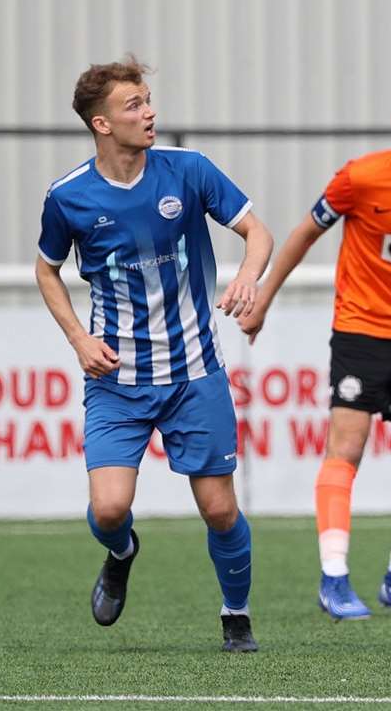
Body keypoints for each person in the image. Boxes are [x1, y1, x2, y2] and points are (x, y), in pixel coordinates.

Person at [34, 56, 273, 652]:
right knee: (110, 509)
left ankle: (235, 615)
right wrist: (78, 339)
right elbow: (46, 269)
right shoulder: (69, 197)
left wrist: (249, 276)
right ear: (102, 124)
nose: (149, 112)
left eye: (147, 100)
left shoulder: (188, 172)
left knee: (219, 510)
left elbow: (258, 233)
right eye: (133, 105)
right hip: (118, 380)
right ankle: (121, 552)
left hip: (195, 373)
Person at [240, 74, 391, 620]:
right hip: (363, 329)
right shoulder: (360, 178)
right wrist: (264, 297)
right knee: (347, 447)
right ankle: (334, 578)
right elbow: (301, 234)